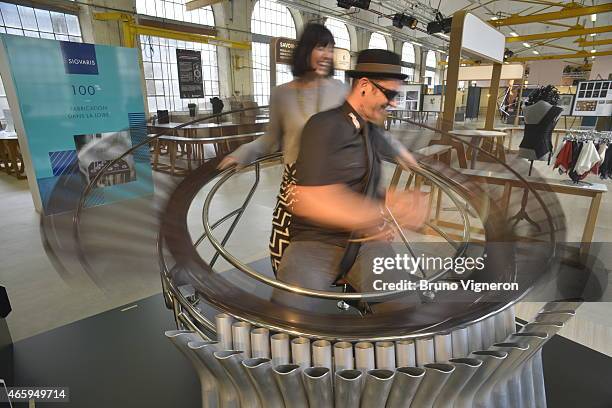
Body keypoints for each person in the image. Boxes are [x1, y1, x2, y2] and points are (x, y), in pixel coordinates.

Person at [275, 49, 429, 311]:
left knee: (406, 314)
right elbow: (311, 200)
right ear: (365, 87)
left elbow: (366, 184)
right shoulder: (324, 126)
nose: (393, 103)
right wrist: (378, 213)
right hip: (316, 243)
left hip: (365, 244)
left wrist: (392, 200)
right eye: (389, 94)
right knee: (289, 321)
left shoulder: (370, 131)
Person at [218, 23, 347, 272]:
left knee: (340, 251)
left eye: (331, 48)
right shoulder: (282, 94)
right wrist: (243, 152)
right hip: (295, 185)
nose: (328, 55)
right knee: (284, 252)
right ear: (306, 50)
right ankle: (294, 302)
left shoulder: (341, 90)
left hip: (333, 182)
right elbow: (270, 139)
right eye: (321, 47)